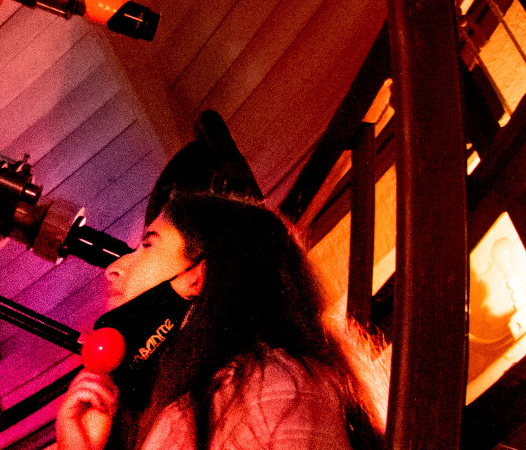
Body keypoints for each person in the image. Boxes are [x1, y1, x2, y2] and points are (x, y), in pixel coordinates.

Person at [55, 193, 384, 450]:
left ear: (197, 276)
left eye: (148, 243)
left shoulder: (271, 382)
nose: (113, 268)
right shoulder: (173, 404)